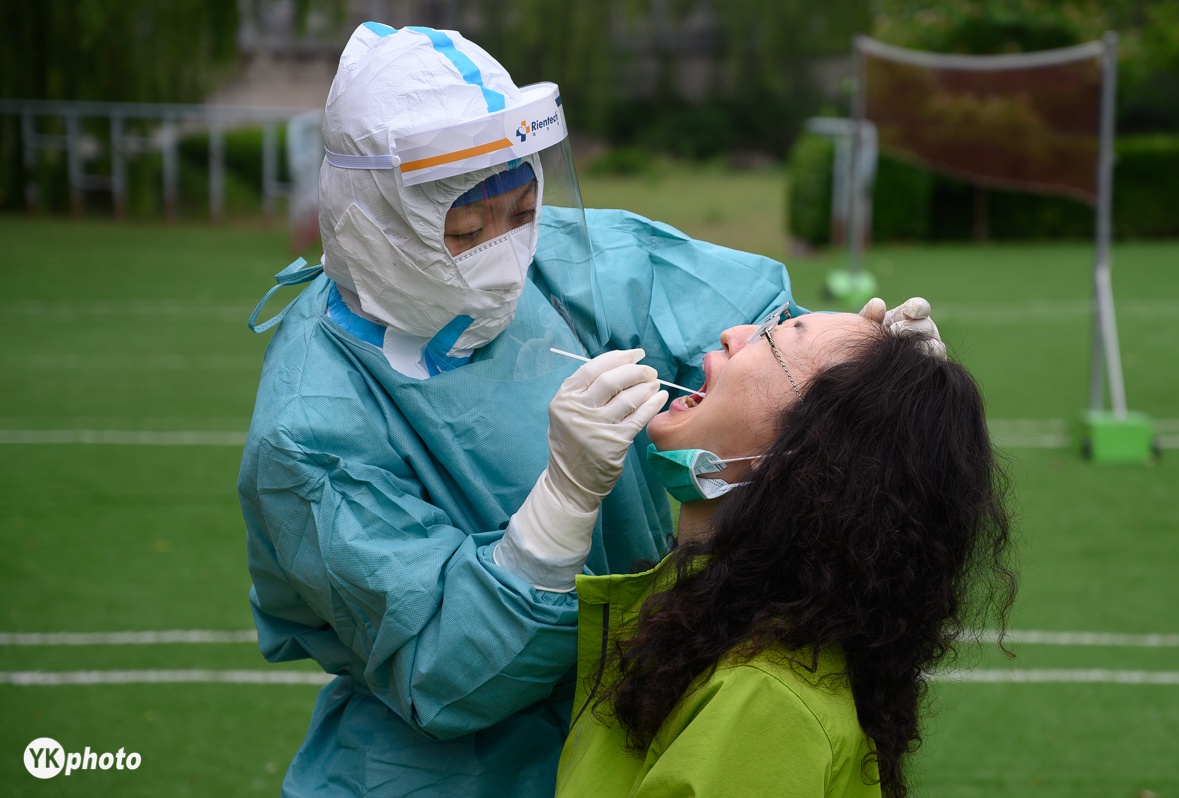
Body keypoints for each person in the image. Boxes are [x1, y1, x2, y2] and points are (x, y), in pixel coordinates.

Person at [239, 22, 945, 798]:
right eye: (468, 228)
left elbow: (772, 374)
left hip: (639, 717)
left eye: (522, 210)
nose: (507, 253)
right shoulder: (312, 430)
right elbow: (441, 670)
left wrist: (871, 383)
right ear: (377, 220)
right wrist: (558, 510)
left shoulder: (581, 260)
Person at [556, 311, 1017, 798]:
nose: (731, 333)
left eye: (772, 337)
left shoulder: (762, 705)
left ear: (802, 451)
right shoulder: (701, 626)